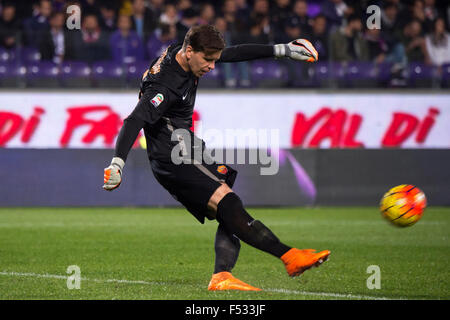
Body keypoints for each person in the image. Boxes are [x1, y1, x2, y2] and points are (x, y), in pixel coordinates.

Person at [102, 24, 330, 291]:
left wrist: (283, 50)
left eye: (213, 59)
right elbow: (135, 119)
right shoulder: (166, 85)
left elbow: (232, 53)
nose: (211, 66)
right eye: (207, 60)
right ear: (190, 52)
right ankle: (290, 257)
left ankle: (222, 277)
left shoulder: (184, 51)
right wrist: (118, 162)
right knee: (229, 203)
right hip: (173, 156)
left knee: (229, 210)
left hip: (187, 148)